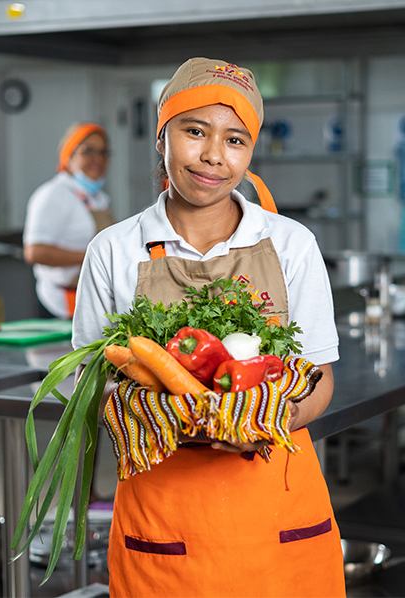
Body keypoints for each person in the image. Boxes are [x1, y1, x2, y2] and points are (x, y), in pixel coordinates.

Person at [72, 58, 345, 597]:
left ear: (250, 151)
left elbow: (320, 377)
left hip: (276, 511)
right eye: (195, 131)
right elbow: (90, 379)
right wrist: (154, 410)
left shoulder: (291, 244)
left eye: (236, 140)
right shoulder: (113, 250)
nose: (214, 155)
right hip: (164, 519)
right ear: (162, 136)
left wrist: (266, 415)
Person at [23, 122, 113, 319]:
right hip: (59, 302)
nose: (97, 159)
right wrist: (93, 257)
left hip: (91, 300)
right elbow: (34, 252)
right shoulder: (53, 194)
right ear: (69, 156)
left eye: (103, 152)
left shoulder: (98, 198)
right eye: (88, 151)